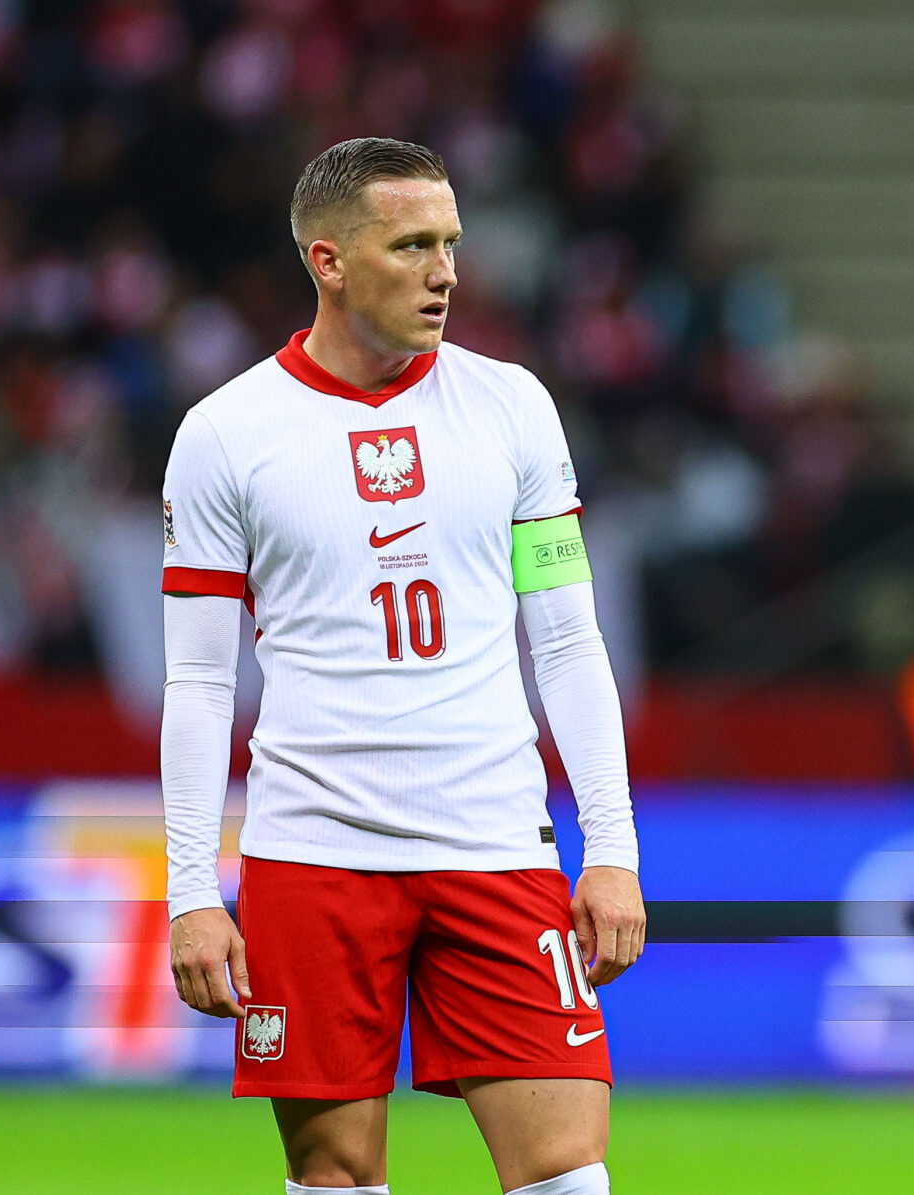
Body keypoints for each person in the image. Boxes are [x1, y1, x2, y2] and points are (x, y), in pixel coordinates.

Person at [159, 138, 643, 1195]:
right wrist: (191, 889)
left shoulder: (513, 407)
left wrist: (612, 847)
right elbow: (198, 682)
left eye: (452, 244)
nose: (446, 272)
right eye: (412, 244)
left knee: (566, 1167)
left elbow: (564, 638)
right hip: (314, 849)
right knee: (336, 1172)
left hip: (494, 842)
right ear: (328, 261)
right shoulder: (226, 435)